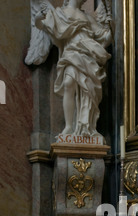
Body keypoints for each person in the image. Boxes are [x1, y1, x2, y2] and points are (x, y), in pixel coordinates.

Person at [33, 0, 113, 138]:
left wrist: (111, 26)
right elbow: (42, 26)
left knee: (88, 91)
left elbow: (105, 39)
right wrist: (39, 17)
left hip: (89, 56)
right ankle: (69, 126)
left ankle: (87, 127)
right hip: (71, 53)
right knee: (69, 84)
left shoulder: (88, 18)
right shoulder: (59, 14)